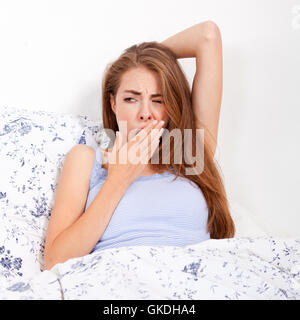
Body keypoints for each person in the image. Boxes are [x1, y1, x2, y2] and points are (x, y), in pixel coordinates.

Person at [43, 21, 235, 271]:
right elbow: (54, 262)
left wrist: (142, 58)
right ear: (113, 103)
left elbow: (207, 36)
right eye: (131, 98)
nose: (146, 113)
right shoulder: (87, 159)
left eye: (158, 100)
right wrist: (118, 179)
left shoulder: (189, 153)